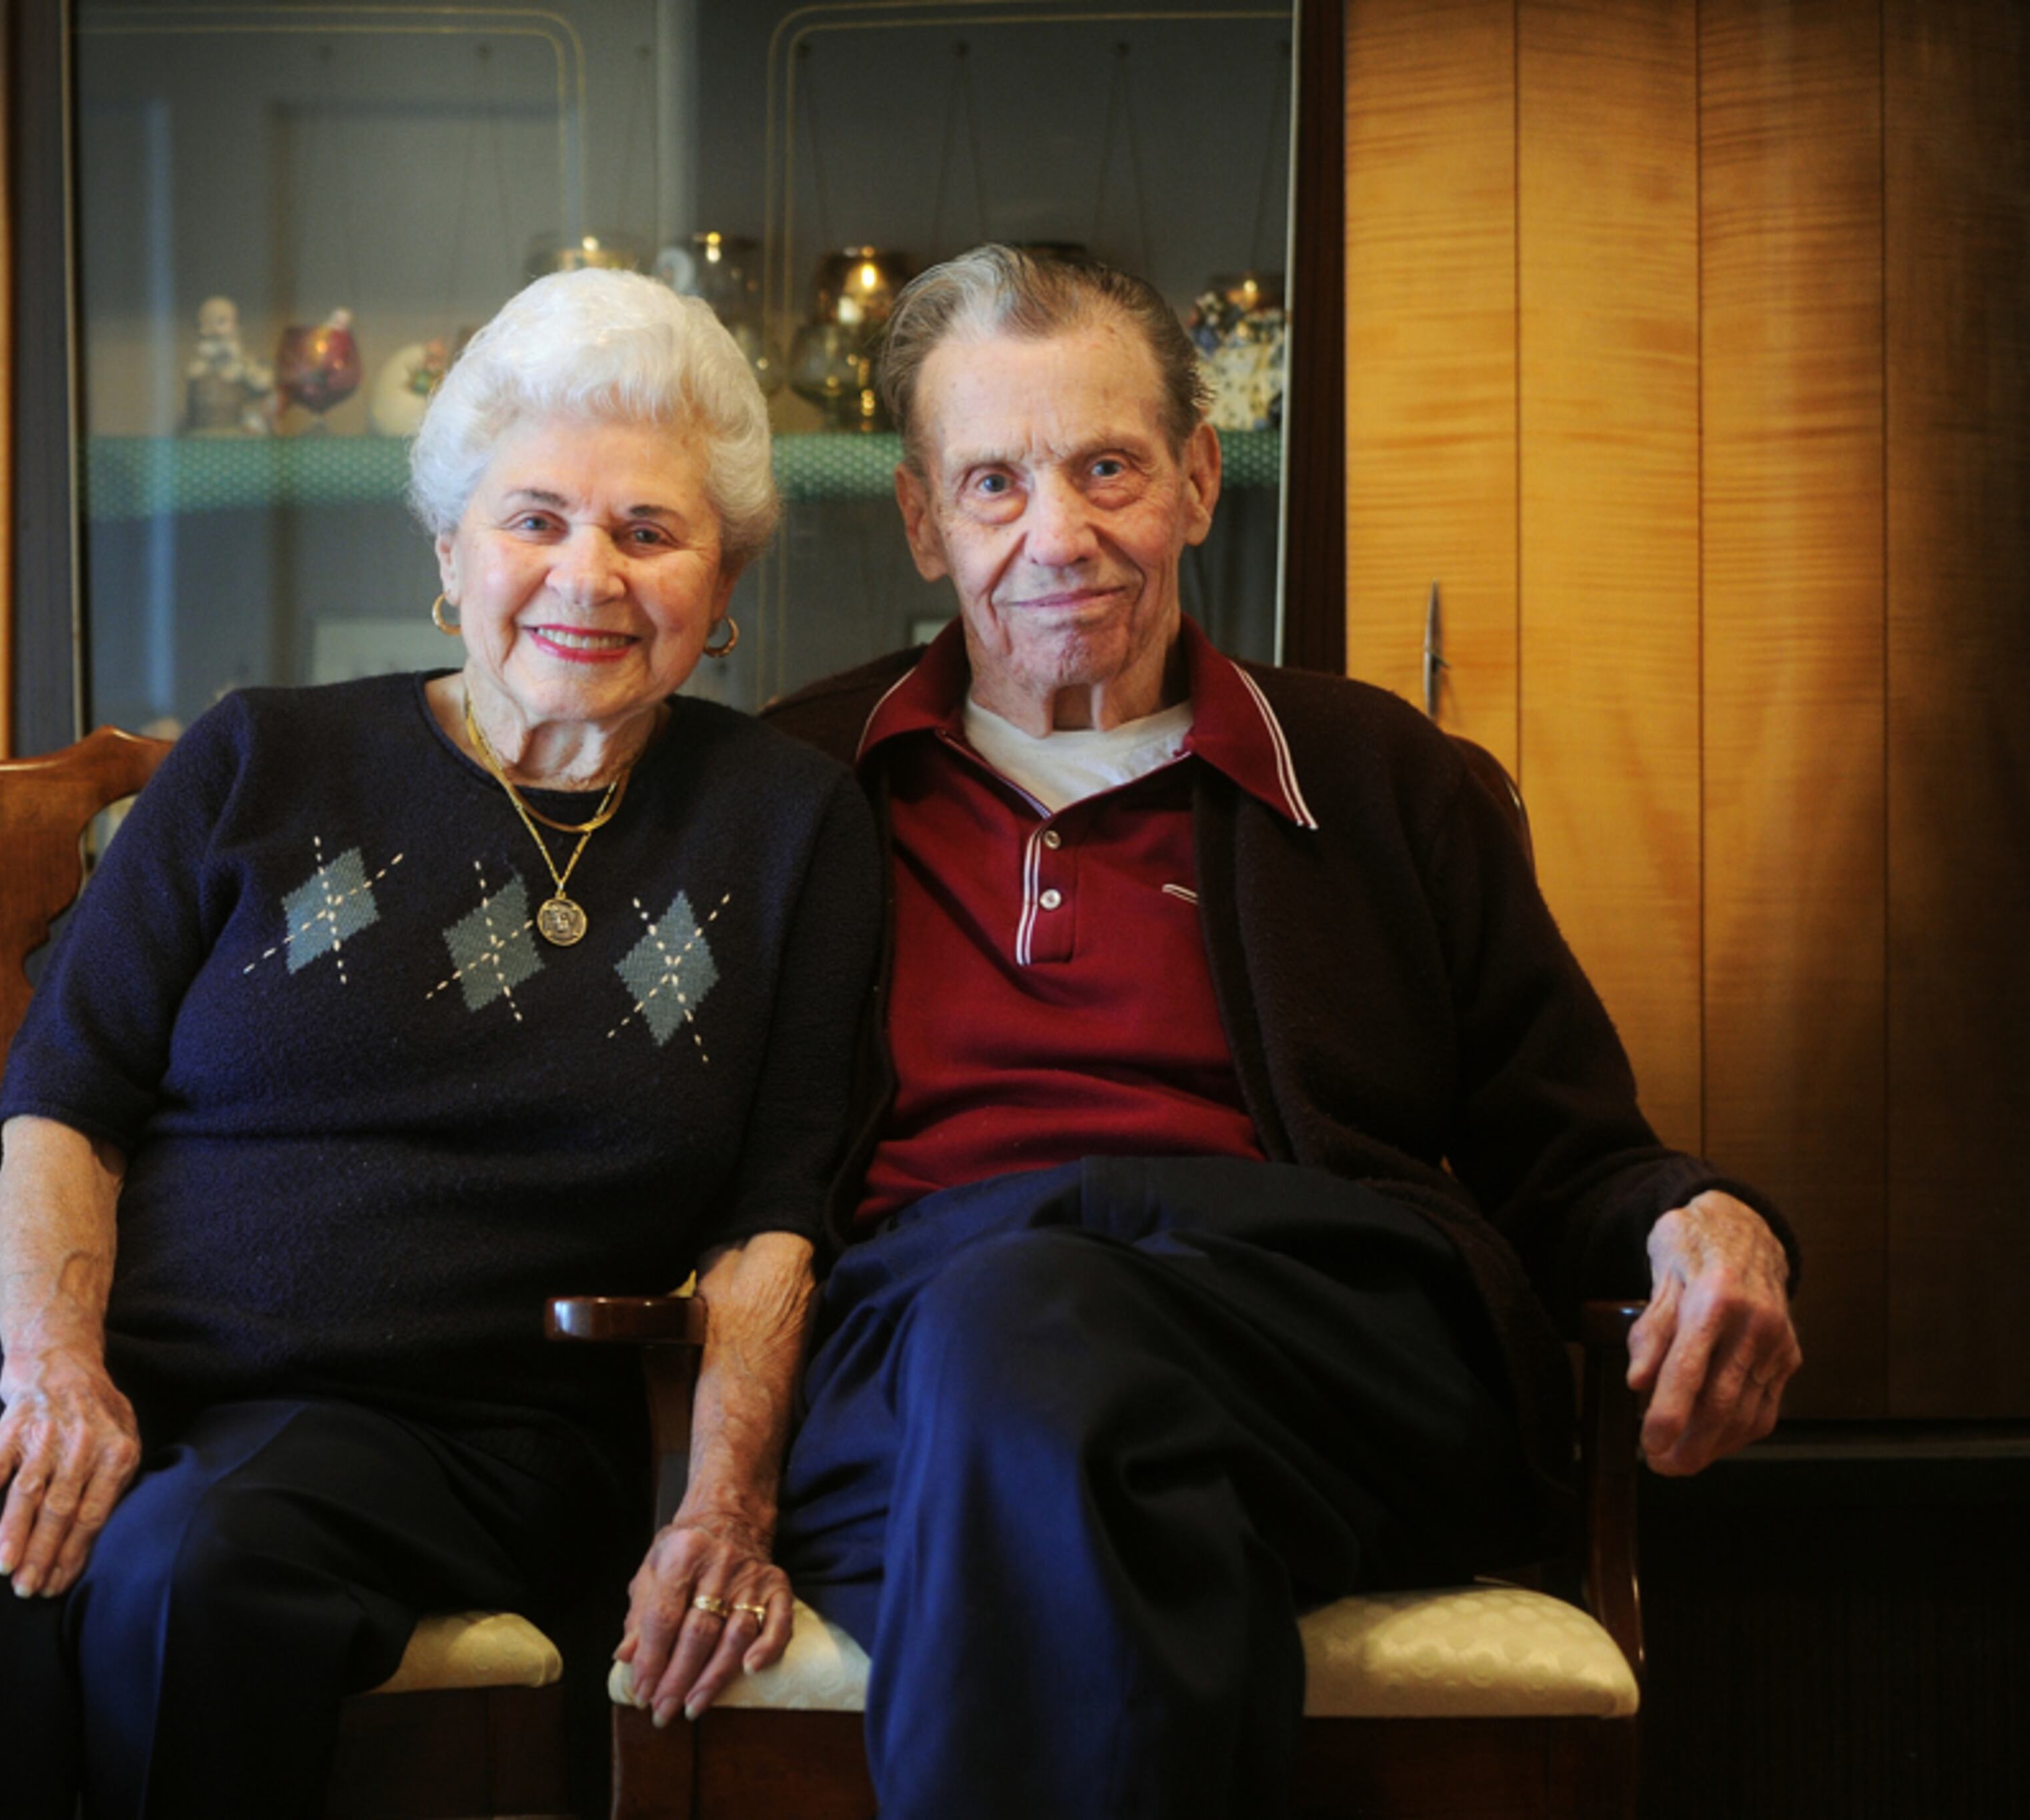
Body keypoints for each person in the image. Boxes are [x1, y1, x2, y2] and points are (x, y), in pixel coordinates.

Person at [0, 267, 880, 1819]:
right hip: (78, 1351)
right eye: (534, 518)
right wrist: (57, 1373)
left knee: (191, 1572)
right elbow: (65, 1100)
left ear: (722, 584)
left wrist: (727, 1503)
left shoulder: (790, 826)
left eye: (648, 532)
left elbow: (773, 1221)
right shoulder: (264, 756)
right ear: (449, 549)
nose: (584, 575)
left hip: (447, 1425)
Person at [759, 246, 1804, 1819]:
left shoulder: (1381, 776)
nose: (1061, 535)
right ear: (922, 520)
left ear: (1194, 478)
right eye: (993, 483)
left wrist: (1707, 1219)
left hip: (1312, 1326)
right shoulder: (799, 788)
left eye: (1108, 467)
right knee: (1035, 1381)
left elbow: (1567, 1148)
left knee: (1025, 1360)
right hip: (913, 1353)